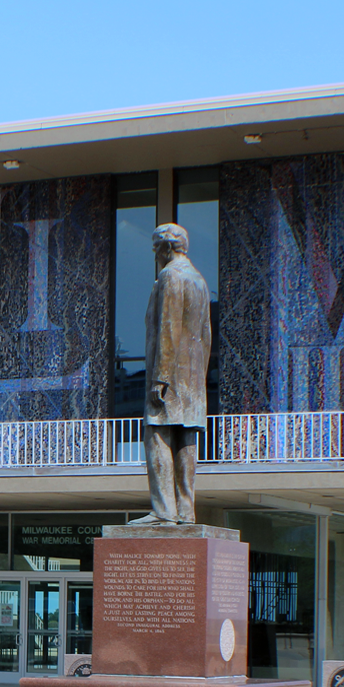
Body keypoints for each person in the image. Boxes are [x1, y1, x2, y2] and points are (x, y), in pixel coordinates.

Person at [133, 223, 211, 524]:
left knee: (156, 434)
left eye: (156, 249)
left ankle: (163, 510)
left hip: (169, 376)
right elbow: (206, 334)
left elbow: (167, 328)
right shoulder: (200, 281)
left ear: (166, 248)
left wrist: (160, 377)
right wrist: (198, 379)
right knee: (185, 438)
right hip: (193, 380)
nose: (156, 256)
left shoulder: (170, 276)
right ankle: (186, 509)